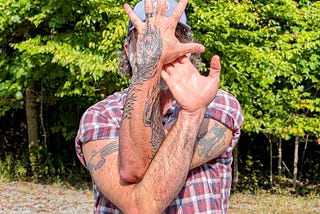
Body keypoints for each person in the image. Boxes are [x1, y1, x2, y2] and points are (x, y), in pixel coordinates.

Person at [75, 0, 243, 213]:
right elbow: (139, 198)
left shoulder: (216, 104)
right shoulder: (100, 116)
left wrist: (192, 112)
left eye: (174, 35)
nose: (161, 48)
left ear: (188, 48)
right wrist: (190, 116)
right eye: (147, 38)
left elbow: (141, 169)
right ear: (129, 50)